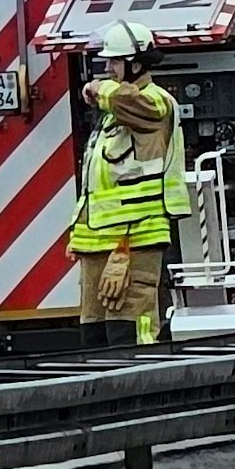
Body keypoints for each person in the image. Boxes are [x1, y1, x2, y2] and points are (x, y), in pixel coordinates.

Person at [67, 23, 189, 346]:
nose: (107, 69)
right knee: (93, 335)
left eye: (114, 62)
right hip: (98, 242)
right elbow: (100, 183)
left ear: (136, 64)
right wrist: (78, 234)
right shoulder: (111, 117)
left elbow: (126, 101)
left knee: (131, 332)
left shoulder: (155, 103)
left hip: (138, 238)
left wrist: (98, 88)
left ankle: (144, 395)